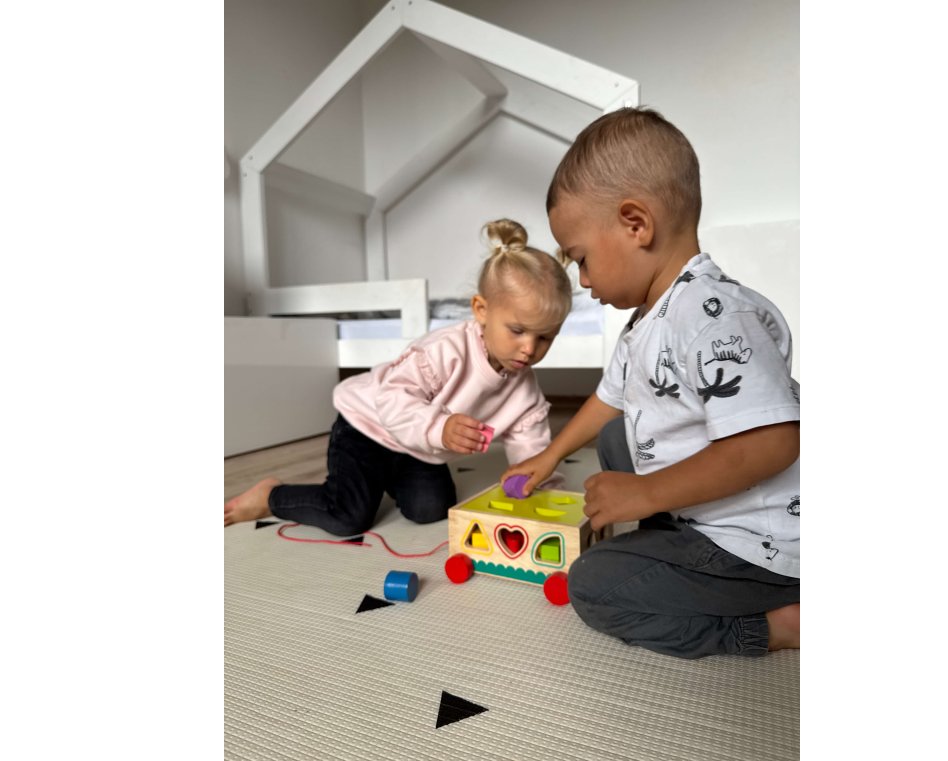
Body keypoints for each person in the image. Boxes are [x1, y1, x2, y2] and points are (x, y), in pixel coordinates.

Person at [501, 108, 800, 659]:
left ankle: (777, 625)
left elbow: (773, 443)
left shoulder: (711, 316)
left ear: (636, 224)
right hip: (703, 513)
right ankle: (669, 533)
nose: (583, 280)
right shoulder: (646, 319)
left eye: (582, 259)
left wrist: (646, 494)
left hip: (758, 545)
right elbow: (607, 400)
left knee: (592, 586)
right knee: (617, 436)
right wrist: (549, 455)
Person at [225, 219, 573, 536]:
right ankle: (271, 496)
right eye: (517, 330)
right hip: (368, 427)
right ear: (481, 310)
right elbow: (391, 399)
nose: (530, 349)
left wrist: (540, 493)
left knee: (431, 509)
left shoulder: (525, 392)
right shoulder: (445, 350)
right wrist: (440, 428)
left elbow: (531, 450)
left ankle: (382, 479)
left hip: (417, 448)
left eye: (545, 337)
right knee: (348, 517)